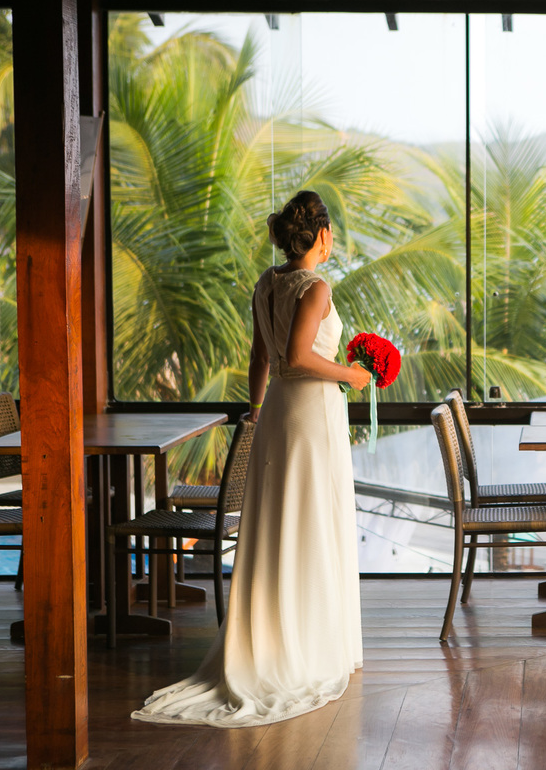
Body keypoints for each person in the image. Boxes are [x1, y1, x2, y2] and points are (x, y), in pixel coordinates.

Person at [132, 190, 372, 727]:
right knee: (310, 520)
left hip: (279, 411)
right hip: (310, 413)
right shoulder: (315, 287)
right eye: (331, 232)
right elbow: (300, 356)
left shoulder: (267, 282)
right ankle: (307, 648)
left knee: (282, 522)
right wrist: (352, 375)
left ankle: (281, 637)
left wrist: (257, 411)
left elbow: (261, 356)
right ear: (323, 235)